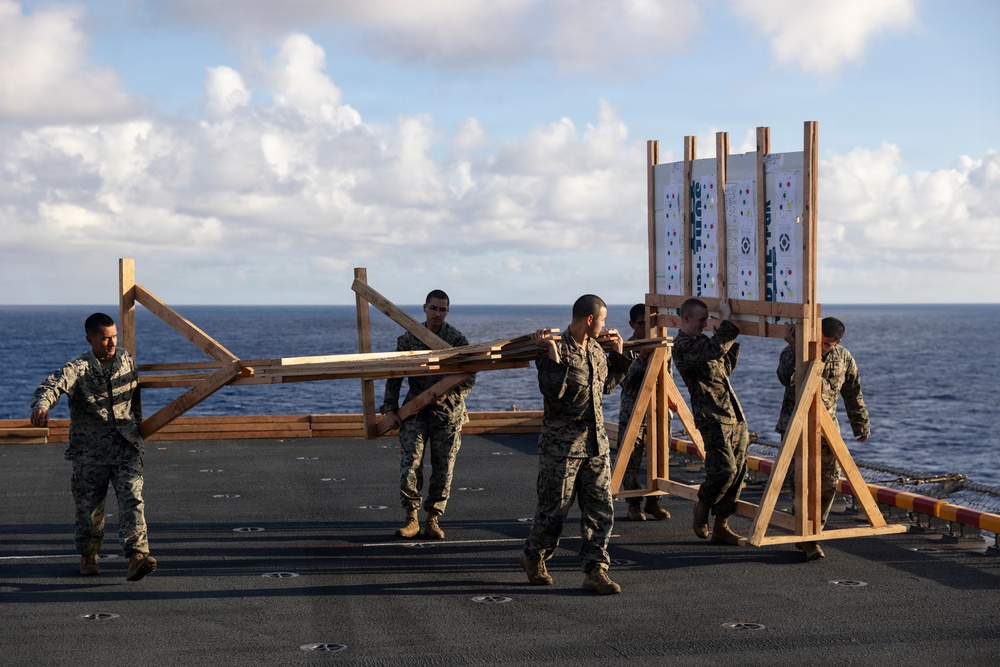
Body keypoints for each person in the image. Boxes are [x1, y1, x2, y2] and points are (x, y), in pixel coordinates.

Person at [30, 312, 157, 581]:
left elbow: (134, 398)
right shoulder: (78, 367)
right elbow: (52, 385)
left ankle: (137, 556)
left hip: (126, 447)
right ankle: (89, 555)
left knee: (133, 500)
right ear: (90, 339)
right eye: (104, 338)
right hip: (90, 452)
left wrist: (137, 427)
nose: (111, 343)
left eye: (113, 337)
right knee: (89, 507)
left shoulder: (125, 358)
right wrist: (41, 405)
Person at [520, 294, 632, 595]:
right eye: (604, 319)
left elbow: (605, 387)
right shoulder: (550, 349)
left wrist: (620, 357)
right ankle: (535, 556)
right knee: (554, 510)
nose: (606, 325)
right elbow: (555, 392)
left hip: (595, 445)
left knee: (600, 510)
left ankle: (596, 570)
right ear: (590, 319)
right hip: (563, 448)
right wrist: (552, 353)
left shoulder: (596, 350)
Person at [379, 290, 476, 540]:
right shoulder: (409, 338)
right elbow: (394, 376)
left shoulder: (456, 339)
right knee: (410, 463)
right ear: (424, 308)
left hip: (448, 414)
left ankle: (433, 518)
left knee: (444, 468)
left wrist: (449, 395)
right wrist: (390, 409)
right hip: (415, 411)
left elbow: (470, 376)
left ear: (447, 311)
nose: (437, 313)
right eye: (433, 308)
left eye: (442, 309)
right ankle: (411, 517)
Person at [775, 317, 870, 560]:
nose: (821, 348)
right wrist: (798, 350)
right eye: (819, 342)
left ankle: (815, 530)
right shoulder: (793, 352)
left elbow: (852, 391)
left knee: (829, 482)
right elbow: (785, 378)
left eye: (827, 345)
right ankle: (804, 534)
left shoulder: (844, 357)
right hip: (795, 426)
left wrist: (860, 424)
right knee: (799, 480)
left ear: (837, 342)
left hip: (827, 429)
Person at [671, 297, 748, 546]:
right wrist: (726, 321)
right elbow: (712, 351)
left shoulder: (703, 342)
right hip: (711, 416)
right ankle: (703, 504)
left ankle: (722, 525)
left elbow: (723, 369)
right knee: (724, 471)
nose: (705, 325)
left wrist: (731, 344)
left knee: (738, 474)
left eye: (707, 320)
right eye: (701, 320)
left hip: (732, 414)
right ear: (686, 318)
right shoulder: (683, 346)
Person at [619, 303, 670, 521]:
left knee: (660, 458)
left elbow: (668, 378)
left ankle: (654, 501)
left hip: (658, 409)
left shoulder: (663, 347)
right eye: (642, 324)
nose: (647, 328)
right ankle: (633, 503)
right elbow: (623, 382)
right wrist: (640, 360)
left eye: (651, 324)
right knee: (631, 459)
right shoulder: (625, 349)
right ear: (632, 324)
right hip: (633, 411)